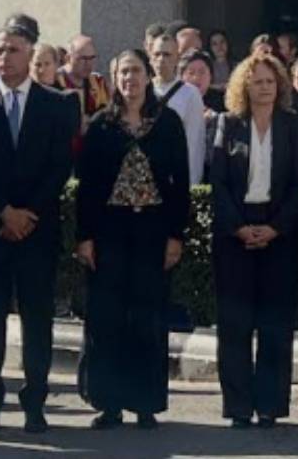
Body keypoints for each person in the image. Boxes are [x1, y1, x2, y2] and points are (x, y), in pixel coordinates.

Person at [0, 26, 78, 437]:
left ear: (31, 56)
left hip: (37, 231)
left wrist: (26, 214)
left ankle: (35, 403)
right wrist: (3, 212)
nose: (5, 56)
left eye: (14, 50)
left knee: (37, 320)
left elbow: (60, 167)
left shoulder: (59, 105)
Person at [77, 49, 190, 430]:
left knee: (147, 317)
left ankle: (145, 403)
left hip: (152, 231)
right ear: (114, 78)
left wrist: (176, 235)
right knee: (107, 318)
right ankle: (108, 404)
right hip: (110, 230)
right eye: (123, 72)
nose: (130, 79)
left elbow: (181, 184)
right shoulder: (101, 125)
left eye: (136, 71)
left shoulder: (168, 122)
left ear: (148, 76)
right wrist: (85, 237)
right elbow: (87, 186)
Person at [205, 52, 298, 429]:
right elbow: (216, 181)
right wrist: (238, 227)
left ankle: (269, 405)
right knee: (234, 324)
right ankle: (237, 406)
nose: (264, 88)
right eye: (257, 81)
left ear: (280, 85)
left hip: (279, 231)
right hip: (234, 231)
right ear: (243, 86)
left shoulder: (293, 124)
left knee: (274, 324)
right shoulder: (228, 123)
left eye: (270, 81)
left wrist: (275, 228)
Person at [148, 33, 208, 186]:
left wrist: (190, 185)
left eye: (167, 54)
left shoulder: (190, 94)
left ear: (176, 57)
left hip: (174, 181)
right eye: (157, 54)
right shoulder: (142, 90)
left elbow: (194, 144)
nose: (161, 59)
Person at [63, 34, 111, 120]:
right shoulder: (55, 80)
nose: (88, 64)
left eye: (92, 58)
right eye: (83, 58)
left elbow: (106, 113)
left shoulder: (98, 82)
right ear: (68, 58)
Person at [181, 50, 225, 116]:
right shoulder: (175, 99)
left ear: (211, 76)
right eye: (191, 73)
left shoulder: (223, 101)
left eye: (202, 72)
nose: (196, 77)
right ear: (181, 77)